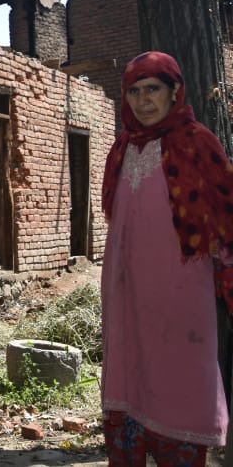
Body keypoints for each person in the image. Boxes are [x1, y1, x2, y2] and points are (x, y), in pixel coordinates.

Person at [101, 50, 232, 466]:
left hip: (181, 299)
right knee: (128, 376)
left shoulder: (198, 143)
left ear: (174, 91)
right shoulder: (122, 147)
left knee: (180, 383)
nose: (143, 101)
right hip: (124, 294)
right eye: (134, 92)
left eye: (153, 89)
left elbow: (228, 220)